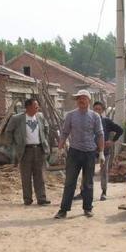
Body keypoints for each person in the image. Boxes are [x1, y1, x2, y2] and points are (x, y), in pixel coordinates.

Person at [54, 90, 104, 219]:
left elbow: (100, 134)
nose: (81, 100)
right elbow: (65, 132)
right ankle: (63, 210)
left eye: (83, 98)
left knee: (88, 182)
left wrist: (101, 152)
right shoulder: (71, 115)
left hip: (89, 152)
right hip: (74, 152)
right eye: (79, 99)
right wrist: (60, 148)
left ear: (89, 100)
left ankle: (88, 208)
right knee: (70, 182)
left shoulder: (95, 116)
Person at [73, 101, 123, 201]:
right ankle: (83, 192)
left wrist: (112, 141)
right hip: (89, 151)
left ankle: (104, 192)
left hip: (104, 151)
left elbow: (120, 130)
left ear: (102, 111)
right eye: (95, 109)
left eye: (99, 109)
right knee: (86, 172)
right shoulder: (88, 121)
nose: (97, 111)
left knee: (103, 172)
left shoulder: (106, 122)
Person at [5, 98, 51, 206]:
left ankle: (41, 198)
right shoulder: (17, 118)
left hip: (38, 149)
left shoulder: (40, 116)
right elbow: (8, 132)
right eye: (35, 106)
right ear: (28, 107)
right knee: (26, 176)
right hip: (25, 150)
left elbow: (46, 129)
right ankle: (27, 199)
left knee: (39, 175)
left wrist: (44, 140)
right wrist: (14, 145)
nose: (37, 108)